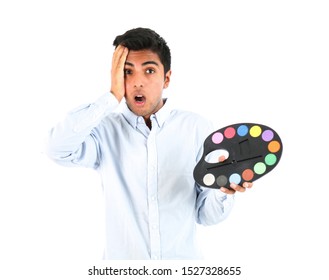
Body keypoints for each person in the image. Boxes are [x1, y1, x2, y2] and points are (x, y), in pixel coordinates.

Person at [46, 27, 252, 260]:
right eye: (127, 72)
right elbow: (57, 149)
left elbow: (206, 215)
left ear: (166, 78)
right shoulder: (104, 130)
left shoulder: (196, 128)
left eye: (149, 71)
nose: (137, 83)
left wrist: (223, 191)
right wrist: (111, 97)